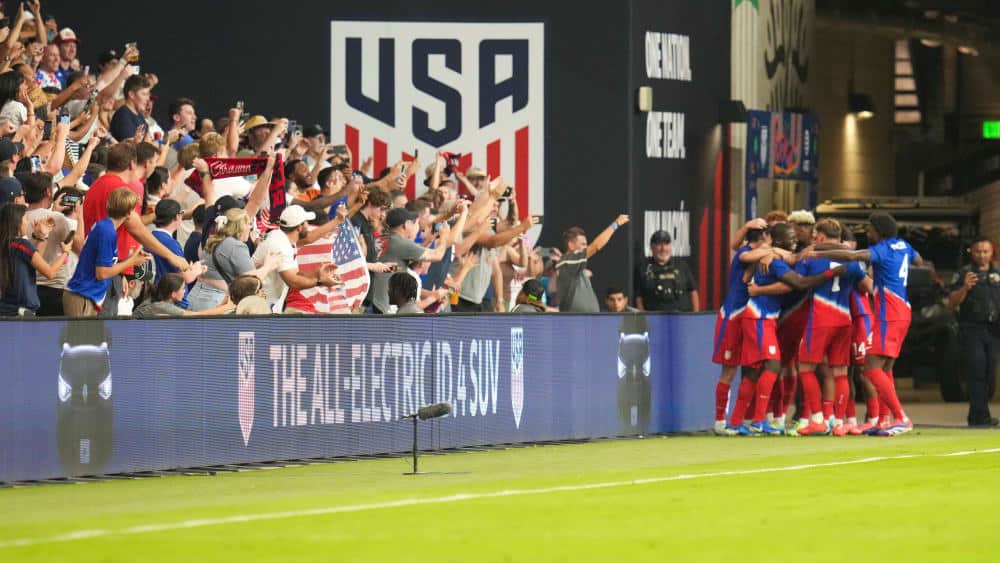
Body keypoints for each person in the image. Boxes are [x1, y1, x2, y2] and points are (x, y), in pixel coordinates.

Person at [809, 212, 922, 435]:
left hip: (889, 312)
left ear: (878, 230)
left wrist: (817, 252)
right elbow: (919, 260)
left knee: (870, 367)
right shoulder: (903, 246)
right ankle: (883, 420)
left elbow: (852, 256)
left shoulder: (882, 249)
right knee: (885, 368)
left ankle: (901, 417)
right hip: (903, 310)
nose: (868, 232)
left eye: (870, 228)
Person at [728, 223, 845, 436]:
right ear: (778, 240)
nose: (794, 241)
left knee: (755, 370)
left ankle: (735, 422)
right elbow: (798, 283)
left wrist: (796, 250)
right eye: (790, 238)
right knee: (773, 365)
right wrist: (830, 273)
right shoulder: (774, 262)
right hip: (759, 317)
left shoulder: (774, 256)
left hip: (764, 317)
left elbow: (793, 259)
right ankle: (758, 421)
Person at [64, 188, 152, 316]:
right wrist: (132, 261)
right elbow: (102, 273)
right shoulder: (107, 232)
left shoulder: (105, 227)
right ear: (129, 212)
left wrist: (129, 260)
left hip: (85, 295)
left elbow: (101, 263)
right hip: (82, 296)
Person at [947, 237, 1000, 427]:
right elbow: (951, 302)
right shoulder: (964, 273)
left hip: (993, 330)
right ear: (972, 252)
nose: (982, 255)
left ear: (992, 253)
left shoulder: (997, 274)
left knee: (989, 374)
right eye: (978, 251)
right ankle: (981, 416)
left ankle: (976, 415)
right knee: (976, 371)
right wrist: (965, 288)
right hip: (972, 329)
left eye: (986, 251)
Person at [251, 205, 340, 312]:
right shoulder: (280, 245)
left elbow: (309, 239)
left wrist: (317, 274)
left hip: (265, 299)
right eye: (306, 222)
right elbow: (294, 282)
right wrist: (320, 281)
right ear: (299, 228)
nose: (308, 226)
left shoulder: (282, 237)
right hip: (258, 302)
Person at [187, 207, 280, 311]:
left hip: (194, 297)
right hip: (217, 302)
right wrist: (268, 266)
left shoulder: (212, 241)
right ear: (240, 226)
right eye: (249, 223)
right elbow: (251, 281)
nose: (251, 227)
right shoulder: (236, 246)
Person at [370, 207, 451, 314]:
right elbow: (437, 255)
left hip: (373, 301)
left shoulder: (381, 239)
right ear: (406, 225)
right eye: (414, 223)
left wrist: (428, 241)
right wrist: (444, 236)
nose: (416, 227)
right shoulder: (401, 243)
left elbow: (404, 260)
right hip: (384, 306)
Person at [0, 203, 71, 316]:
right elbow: (50, 273)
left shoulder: (7, 245)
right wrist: (65, 253)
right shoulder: (22, 244)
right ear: (18, 223)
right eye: (25, 219)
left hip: (6, 309)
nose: (27, 222)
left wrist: (42, 236)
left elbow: (35, 261)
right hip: (21, 312)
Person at [556, 214, 630, 312]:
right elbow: (596, 246)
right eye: (583, 244)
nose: (586, 247)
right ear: (571, 245)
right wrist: (615, 224)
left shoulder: (575, 266)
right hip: (574, 319)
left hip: (588, 319)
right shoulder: (566, 261)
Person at [634, 230, 698, 312]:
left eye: (666, 244)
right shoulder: (643, 268)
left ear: (670, 246)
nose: (663, 248)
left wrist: (695, 315)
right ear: (652, 247)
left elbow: (693, 291)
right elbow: (639, 297)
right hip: (655, 316)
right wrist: (643, 317)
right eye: (659, 244)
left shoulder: (682, 266)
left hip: (682, 315)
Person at [132, 273, 234, 318]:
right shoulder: (162, 306)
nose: (185, 291)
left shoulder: (157, 301)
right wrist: (228, 307)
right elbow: (198, 315)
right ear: (173, 294)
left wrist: (222, 305)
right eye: (182, 288)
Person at [109, 74, 151, 141]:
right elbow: (131, 146)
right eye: (144, 94)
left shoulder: (140, 116)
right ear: (132, 95)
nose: (148, 99)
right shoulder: (123, 116)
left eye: (148, 94)